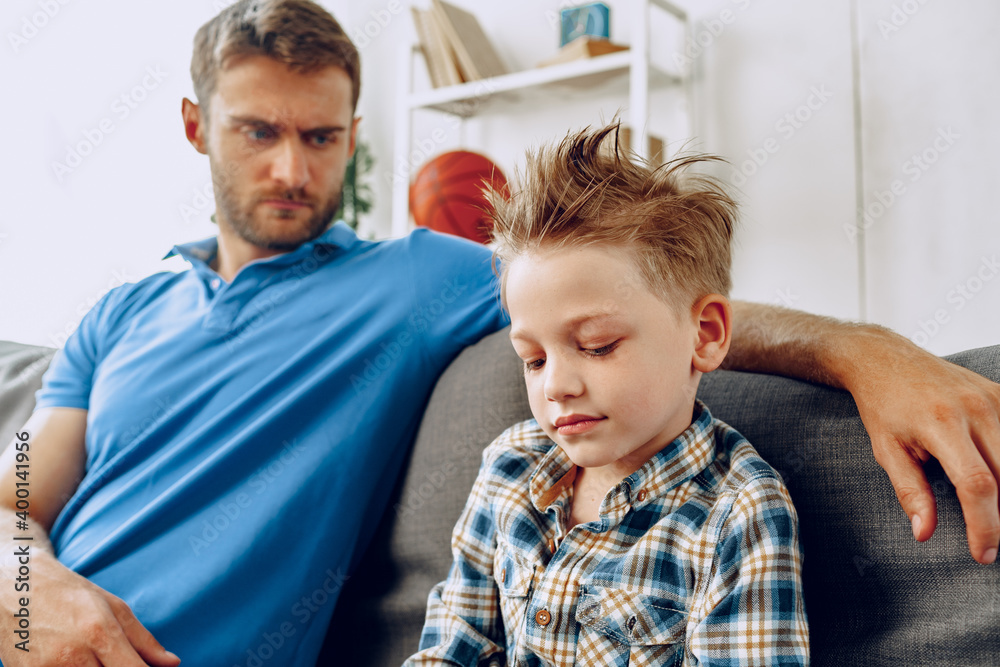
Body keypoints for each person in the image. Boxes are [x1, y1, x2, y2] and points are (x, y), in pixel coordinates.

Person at [0, 1, 997, 665]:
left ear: (354, 135)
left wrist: (867, 351)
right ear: (193, 126)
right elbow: (13, 499)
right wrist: (28, 594)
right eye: (256, 132)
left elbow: (635, 300)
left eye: (322, 137)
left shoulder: (413, 278)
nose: (292, 171)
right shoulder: (116, 313)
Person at [406, 124, 809, 665]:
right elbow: (451, 649)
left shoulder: (738, 513)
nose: (556, 385)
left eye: (597, 346)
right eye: (534, 359)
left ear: (705, 334)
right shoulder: (509, 468)